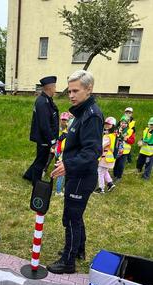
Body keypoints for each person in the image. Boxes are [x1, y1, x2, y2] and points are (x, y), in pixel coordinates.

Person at [47, 70, 103, 274]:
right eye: (69, 90)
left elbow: (92, 151)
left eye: (75, 90)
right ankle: (78, 250)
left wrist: (69, 165)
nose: (70, 95)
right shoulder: (80, 112)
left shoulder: (92, 115)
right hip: (76, 173)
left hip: (82, 176)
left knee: (71, 217)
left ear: (89, 89)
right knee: (76, 215)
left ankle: (68, 261)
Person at [23, 76, 59, 185]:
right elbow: (44, 124)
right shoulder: (42, 102)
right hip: (44, 137)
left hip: (45, 136)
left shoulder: (46, 100)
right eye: (54, 86)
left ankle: (28, 175)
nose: (56, 89)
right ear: (50, 87)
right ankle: (36, 182)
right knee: (41, 161)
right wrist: (52, 140)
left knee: (40, 157)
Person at [94, 117, 117, 194]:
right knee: (104, 171)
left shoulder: (108, 136)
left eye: (109, 124)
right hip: (109, 157)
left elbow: (101, 145)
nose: (106, 125)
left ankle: (101, 188)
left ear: (113, 125)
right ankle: (110, 184)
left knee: (100, 171)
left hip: (105, 157)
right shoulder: (113, 135)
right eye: (106, 124)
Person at [113, 115, 134, 182]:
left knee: (121, 165)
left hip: (125, 151)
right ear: (120, 122)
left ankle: (119, 177)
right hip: (117, 150)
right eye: (122, 122)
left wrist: (126, 139)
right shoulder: (116, 129)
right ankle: (115, 175)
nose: (123, 124)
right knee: (115, 164)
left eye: (125, 123)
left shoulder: (130, 131)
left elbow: (132, 141)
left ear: (127, 124)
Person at [55, 112, 70, 196]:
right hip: (62, 153)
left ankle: (64, 187)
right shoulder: (64, 132)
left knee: (66, 172)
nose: (64, 122)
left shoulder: (67, 131)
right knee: (61, 173)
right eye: (63, 120)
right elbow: (60, 142)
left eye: (66, 120)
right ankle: (58, 191)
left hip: (64, 153)